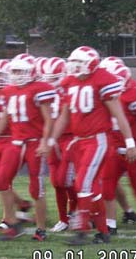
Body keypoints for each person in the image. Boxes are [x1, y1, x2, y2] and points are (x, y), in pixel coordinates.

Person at [49, 46, 136, 245]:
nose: (74, 66)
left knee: (83, 184)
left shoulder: (103, 79)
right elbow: (65, 116)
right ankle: (103, 232)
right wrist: (52, 139)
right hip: (79, 141)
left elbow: (119, 115)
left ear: (91, 64)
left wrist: (130, 142)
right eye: (73, 62)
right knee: (93, 187)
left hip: (97, 139)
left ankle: (81, 229)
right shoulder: (69, 82)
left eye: (78, 63)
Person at [0, 53, 56, 241]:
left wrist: (45, 140)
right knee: (0, 182)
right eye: (14, 71)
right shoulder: (9, 91)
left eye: (20, 71)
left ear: (32, 72)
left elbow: (49, 119)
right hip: (15, 143)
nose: (16, 74)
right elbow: (4, 119)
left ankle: (41, 230)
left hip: (33, 143)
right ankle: (13, 222)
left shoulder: (40, 89)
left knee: (36, 188)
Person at [0, 59, 33, 231]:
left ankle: (8, 218)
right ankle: (22, 204)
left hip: (12, 139)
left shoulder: (15, 92)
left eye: (2, 75)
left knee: (4, 181)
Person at [99, 60, 136, 235]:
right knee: (107, 184)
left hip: (131, 148)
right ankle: (110, 224)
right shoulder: (99, 93)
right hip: (112, 147)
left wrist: (132, 144)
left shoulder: (132, 94)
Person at [42, 57, 77, 232]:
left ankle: (77, 211)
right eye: (47, 78)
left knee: (65, 179)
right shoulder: (42, 93)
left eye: (54, 78)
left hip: (69, 138)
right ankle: (64, 218)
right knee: (56, 181)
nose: (50, 83)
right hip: (52, 138)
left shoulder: (71, 90)